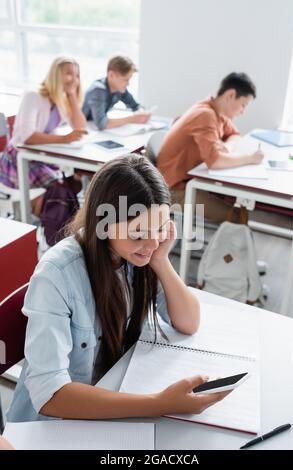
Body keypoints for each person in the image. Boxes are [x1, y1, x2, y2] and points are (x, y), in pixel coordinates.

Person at [7, 155, 229, 422]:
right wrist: (159, 404)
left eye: (160, 228)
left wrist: (160, 261)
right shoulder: (57, 275)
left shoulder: (138, 257)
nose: (151, 243)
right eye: (138, 234)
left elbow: (189, 322)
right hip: (57, 426)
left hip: (114, 396)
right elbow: (50, 396)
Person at [157, 72, 264, 222]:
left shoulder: (215, 111)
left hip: (190, 180)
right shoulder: (205, 115)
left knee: (235, 203)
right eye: (243, 105)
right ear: (231, 94)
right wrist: (250, 158)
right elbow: (215, 162)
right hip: (174, 190)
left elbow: (235, 134)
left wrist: (226, 148)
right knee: (237, 217)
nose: (242, 112)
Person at [0, 56, 87, 216]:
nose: (74, 79)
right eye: (69, 73)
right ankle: (55, 229)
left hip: (41, 159)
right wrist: (65, 139)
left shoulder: (60, 99)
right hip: (19, 159)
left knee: (74, 183)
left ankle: (60, 225)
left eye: (77, 75)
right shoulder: (33, 96)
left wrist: (72, 96)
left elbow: (81, 127)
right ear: (56, 74)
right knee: (60, 188)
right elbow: (27, 136)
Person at [82, 55, 151, 130]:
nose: (128, 84)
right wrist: (133, 119)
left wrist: (141, 113)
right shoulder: (98, 90)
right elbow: (101, 124)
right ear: (111, 75)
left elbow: (135, 105)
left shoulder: (119, 89)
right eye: (125, 80)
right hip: (86, 128)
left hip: (98, 130)